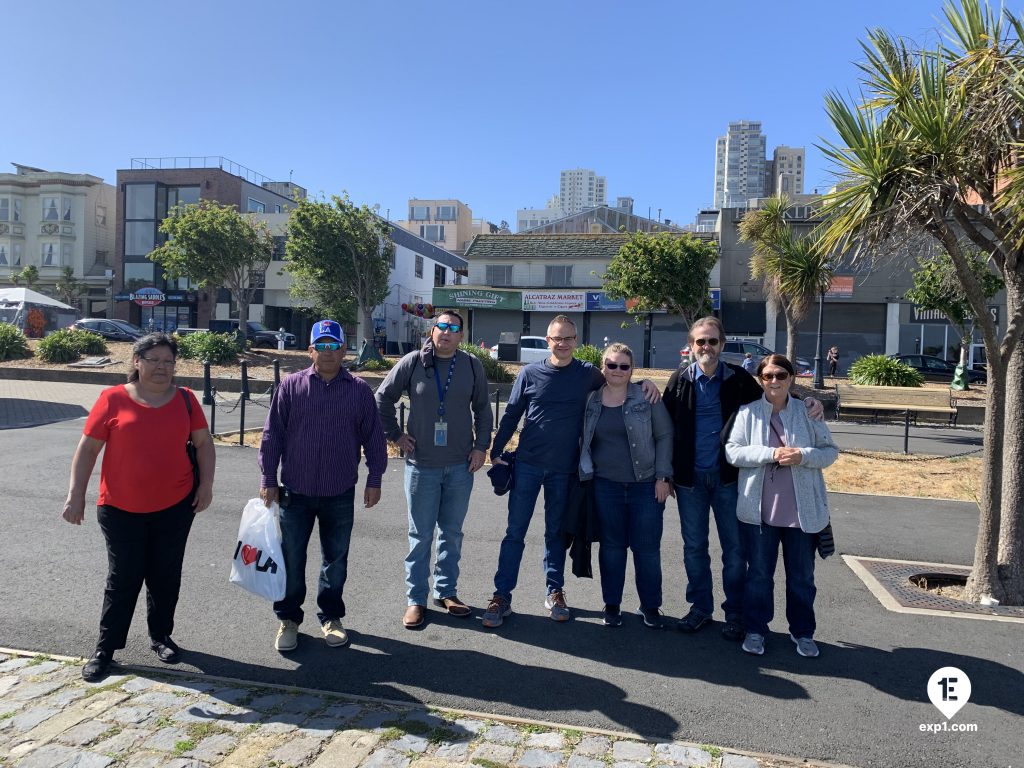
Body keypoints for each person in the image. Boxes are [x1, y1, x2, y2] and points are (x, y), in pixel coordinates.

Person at [482, 316, 661, 628]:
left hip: (565, 471)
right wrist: (495, 452)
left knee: (555, 533)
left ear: (576, 341)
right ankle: (501, 596)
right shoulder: (529, 373)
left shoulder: (587, 374)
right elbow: (511, 414)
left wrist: (641, 384)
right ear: (547, 340)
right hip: (527, 466)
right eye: (556, 338)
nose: (562, 343)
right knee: (515, 533)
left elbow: (615, 382)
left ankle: (555, 591)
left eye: (568, 338)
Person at [63, 333, 215, 682]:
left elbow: (204, 445)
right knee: (124, 577)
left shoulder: (187, 400)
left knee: (165, 575)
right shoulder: (113, 399)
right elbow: (87, 450)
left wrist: (206, 485)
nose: (161, 367)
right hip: (120, 507)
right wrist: (75, 495)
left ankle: (161, 637)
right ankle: (106, 648)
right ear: (136, 362)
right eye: (153, 359)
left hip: (175, 506)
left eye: (168, 361)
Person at [662, 316, 822, 642]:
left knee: (735, 551)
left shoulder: (737, 379)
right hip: (689, 481)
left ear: (722, 344)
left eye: (712, 341)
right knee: (694, 548)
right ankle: (700, 609)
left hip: (728, 480)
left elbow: (775, 393)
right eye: (700, 342)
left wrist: (810, 400)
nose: (706, 347)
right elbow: (663, 428)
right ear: (691, 346)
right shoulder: (679, 380)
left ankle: (734, 613)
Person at [259, 319, 387, 652]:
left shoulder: (359, 390)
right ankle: (288, 619)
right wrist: (268, 478)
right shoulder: (291, 386)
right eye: (322, 345)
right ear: (310, 349)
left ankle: (331, 617)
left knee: (336, 560)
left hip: (339, 492)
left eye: (334, 346)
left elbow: (374, 439)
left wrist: (375, 479)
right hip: (295, 491)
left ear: (345, 350)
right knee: (291, 559)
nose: (328, 352)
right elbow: (272, 435)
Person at [376, 311, 493, 629]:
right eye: (441, 326)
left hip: (459, 467)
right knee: (420, 536)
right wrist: (396, 436)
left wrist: (481, 447)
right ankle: (415, 600)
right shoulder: (413, 362)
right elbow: (382, 399)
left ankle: (446, 592)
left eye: (453, 328)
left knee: (451, 535)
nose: (446, 332)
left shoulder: (471, 365)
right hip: (421, 466)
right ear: (433, 330)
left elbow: (483, 409)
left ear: (461, 336)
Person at [725, 355, 838, 658]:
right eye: (768, 376)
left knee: (802, 578)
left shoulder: (807, 412)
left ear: (791, 378)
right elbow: (733, 453)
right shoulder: (748, 413)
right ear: (760, 379)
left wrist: (803, 456)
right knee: (759, 576)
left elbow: (829, 452)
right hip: (759, 512)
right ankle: (756, 630)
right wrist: (771, 454)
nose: (774, 381)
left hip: (801, 514)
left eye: (781, 375)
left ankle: (802, 632)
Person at [579, 343, 673, 629]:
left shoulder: (646, 396)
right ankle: (612, 605)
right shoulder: (592, 400)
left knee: (646, 549)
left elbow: (665, 435)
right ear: (602, 366)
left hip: (645, 486)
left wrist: (663, 477)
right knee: (611, 548)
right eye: (611, 365)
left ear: (632, 369)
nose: (617, 371)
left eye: (624, 366)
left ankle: (650, 605)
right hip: (605, 486)